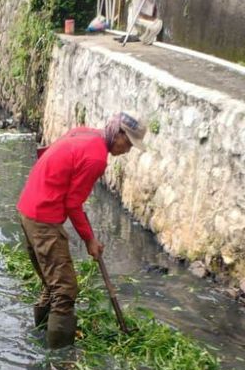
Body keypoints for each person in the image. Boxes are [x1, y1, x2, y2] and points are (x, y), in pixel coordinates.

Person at [16, 112, 147, 348]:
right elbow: (72, 204)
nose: (127, 150)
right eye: (127, 144)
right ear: (117, 133)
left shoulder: (83, 132)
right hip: (44, 218)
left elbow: (45, 155)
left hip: (27, 209)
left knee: (52, 284)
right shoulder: (97, 158)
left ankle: (43, 334)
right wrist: (90, 240)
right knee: (65, 291)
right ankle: (60, 361)